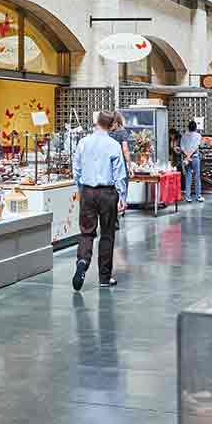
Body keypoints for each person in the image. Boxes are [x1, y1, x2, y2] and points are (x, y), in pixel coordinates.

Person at [71, 111, 128, 291]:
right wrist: (123, 196)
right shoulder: (113, 145)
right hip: (107, 194)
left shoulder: (83, 142)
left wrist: (81, 189)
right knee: (107, 234)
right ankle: (104, 277)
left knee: (86, 232)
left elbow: (77, 169)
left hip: (87, 191)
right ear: (111, 126)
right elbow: (120, 173)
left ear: (96, 122)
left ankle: (82, 261)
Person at [180, 121, 204, 203]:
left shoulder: (184, 136)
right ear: (196, 127)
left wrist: (187, 156)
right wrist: (190, 155)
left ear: (188, 127)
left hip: (187, 159)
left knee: (188, 177)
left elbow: (182, 148)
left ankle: (188, 197)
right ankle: (198, 196)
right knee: (197, 177)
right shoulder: (198, 136)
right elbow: (196, 147)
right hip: (195, 158)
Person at [110, 112, 134, 176]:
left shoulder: (107, 132)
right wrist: (129, 166)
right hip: (120, 164)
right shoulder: (122, 132)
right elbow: (125, 149)